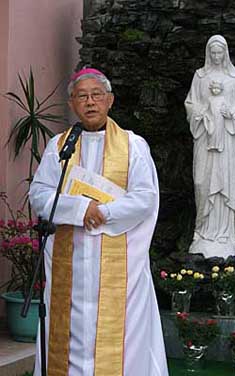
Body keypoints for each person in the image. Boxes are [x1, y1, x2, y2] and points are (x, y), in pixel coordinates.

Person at [29, 67, 169, 376]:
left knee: (122, 339)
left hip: (121, 265)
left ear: (110, 101)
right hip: (72, 262)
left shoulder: (133, 146)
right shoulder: (59, 147)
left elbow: (146, 197)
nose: (90, 102)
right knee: (68, 334)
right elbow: (39, 195)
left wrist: (102, 213)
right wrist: (80, 208)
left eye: (96, 95)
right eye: (82, 96)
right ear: (72, 104)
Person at [184, 35, 235, 259]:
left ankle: (226, 233)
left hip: (228, 142)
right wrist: (202, 113)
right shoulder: (200, 77)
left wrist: (231, 113)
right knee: (202, 182)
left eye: (219, 52)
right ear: (207, 53)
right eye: (212, 52)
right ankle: (203, 231)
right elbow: (190, 104)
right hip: (204, 139)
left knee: (225, 183)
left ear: (225, 53)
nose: (215, 56)